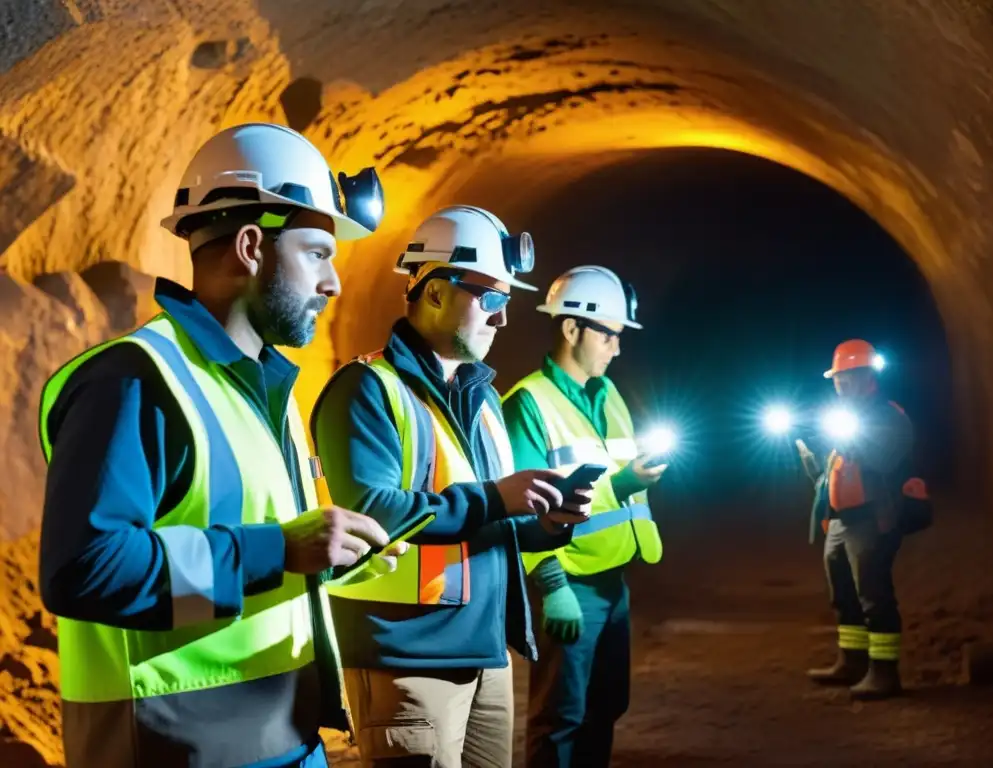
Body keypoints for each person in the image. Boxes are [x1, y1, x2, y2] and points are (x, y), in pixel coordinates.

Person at [38, 122, 403, 768]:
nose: (334, 283)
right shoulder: (134, 381)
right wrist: (280, 549)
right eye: (318, 253)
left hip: (287, 736)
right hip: (178, 747)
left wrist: (324, 555)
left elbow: (245, 545)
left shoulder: (268, 391)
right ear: (251, 246)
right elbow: (83, 570)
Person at [310, 205, 592, 768]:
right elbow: (373, 510)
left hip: (484, 652)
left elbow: (487, 522)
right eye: (491, 298)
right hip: (407, 657)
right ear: (436, 292)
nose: (502, 318)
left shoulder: (482, 397)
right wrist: (495, 498)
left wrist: (540, 525)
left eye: (508, 301)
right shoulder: (365, 390)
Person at [502, 266, 666, 767]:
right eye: (610, 336)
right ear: (572, 329)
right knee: (560, 719)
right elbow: (519, 512)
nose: (617, 348)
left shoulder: (608, 394)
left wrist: (638, 478)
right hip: (570, 586)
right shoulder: (528, 403)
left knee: (606, 707)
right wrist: (552, 588)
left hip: (612, 582)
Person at [802, 339, 916, 699]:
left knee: (873, 594)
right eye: (837, 378)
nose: (839, 384)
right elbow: (835, 472)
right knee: (844, 594)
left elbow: (884, 460)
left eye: (846, 377)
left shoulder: (888, 416)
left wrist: (853, 440)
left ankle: (884, 673)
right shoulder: (845, 417)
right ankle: (851, 663)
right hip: (841, 520)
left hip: (872, 518)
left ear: (866, 376)